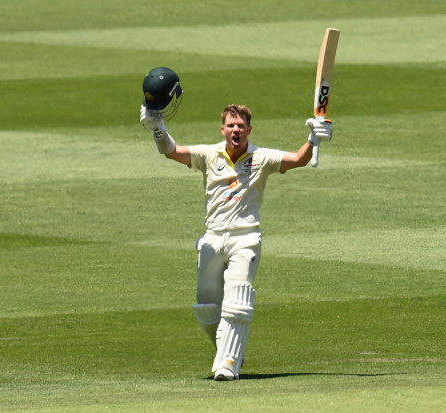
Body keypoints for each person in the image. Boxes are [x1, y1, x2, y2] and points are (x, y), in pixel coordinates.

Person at [139, 67, 332, 381]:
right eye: (231, 126)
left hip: (246, 238)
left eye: (241, 126)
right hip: (213, 238)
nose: (235, 130)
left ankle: (228, 364)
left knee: (237, 300)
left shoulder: (262, 157)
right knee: (206, 308)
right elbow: (172, 152)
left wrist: (314, 137)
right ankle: (224, 351)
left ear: (249, 129)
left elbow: (298, 159)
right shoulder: (209, 154)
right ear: (223, 128)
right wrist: (157, 127)